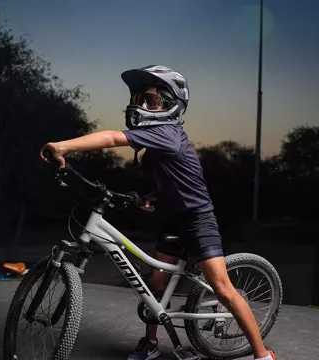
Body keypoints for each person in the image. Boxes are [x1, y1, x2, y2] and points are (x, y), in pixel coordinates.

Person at [40, 65, 276, 360]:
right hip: (175, 219)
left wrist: (63, 146)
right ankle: (150, 344)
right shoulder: (153, 148)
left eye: (151, 101)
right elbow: (169, 183)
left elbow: (113, 138)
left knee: (224, 289)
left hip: (197, 219)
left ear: (172, 106)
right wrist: (147, 198)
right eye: (140, 99)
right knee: (156, 285)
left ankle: (262, 355)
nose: (141, 106)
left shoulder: (168, 133)